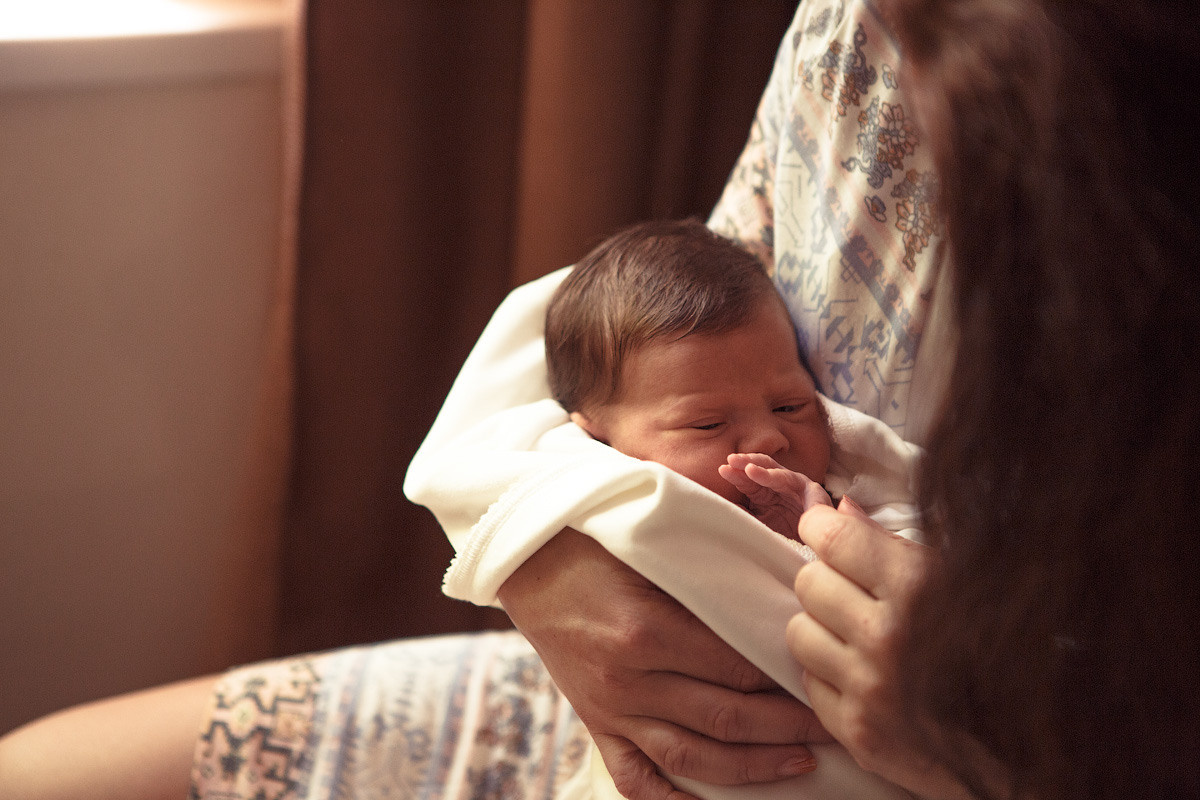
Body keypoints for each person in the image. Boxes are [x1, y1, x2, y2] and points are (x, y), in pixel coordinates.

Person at [4, 1, 1197, 799]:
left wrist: (1044, 730)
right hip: (619, 707)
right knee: (45, 766)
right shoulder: (858, 30)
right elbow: (658, 320)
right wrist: (547, 552)